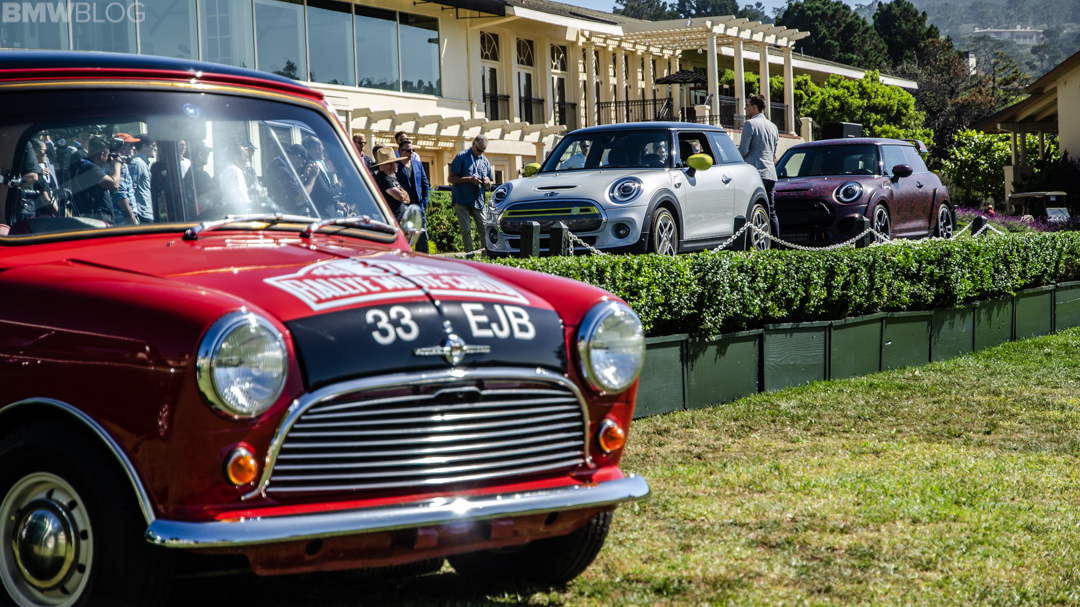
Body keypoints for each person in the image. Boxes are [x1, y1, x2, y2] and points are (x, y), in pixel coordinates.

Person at [739, 93, 780, 238]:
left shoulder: (749, 124)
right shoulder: (773, 127)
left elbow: (743, 151)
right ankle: (776, 245)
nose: (745, 108)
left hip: (755, 174)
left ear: (754, 107)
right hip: (770, 174)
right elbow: (773, 154)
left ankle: (755, 243)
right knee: (770, 211)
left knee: (751, 210)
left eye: (747, 105)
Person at [448, 135, 493, 253]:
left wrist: (488, 182)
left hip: (478, 200)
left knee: (484, 228)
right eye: (479, 150)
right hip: (462, 199)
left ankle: (485, 256)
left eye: (483, 150)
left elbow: (490, 182)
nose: (480, 153)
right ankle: (469, 256)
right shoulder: (461, 157)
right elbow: (451, 178)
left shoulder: (484, 160)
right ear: (473, 144)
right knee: (466, 230)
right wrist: (469, 179)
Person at [70, 136, 122, 223]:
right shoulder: (90, 167)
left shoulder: (82, 164)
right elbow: (114, 185)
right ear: (101, 155)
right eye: (107, 155)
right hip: (97, 217)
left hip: (91, 215)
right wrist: (117, 165)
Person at [265, 144, 319, 216]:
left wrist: (304, 177)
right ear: (297, 157)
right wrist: (313, 177)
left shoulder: (277, 163)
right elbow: (301, 197)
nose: (302, 166)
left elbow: (290, 185)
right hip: (283, 214)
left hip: (277, 211)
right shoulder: (283, 170)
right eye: (302, 162)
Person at [396, 139, 429, 251]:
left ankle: (424, 258)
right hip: (403, 207)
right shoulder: (396, 166)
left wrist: (424, 202)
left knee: (422, 236)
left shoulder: (417, 164)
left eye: (413, 150)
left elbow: (425, 184)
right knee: (404, 236)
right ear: (401, 152)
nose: (411, 152)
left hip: (418, 206)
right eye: (408, 150)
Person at [371, 146, 410, 219]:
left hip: (398, 221)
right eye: (396, 162)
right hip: (390, 221)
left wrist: (404, 195)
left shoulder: (392, 178)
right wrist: (402, 194)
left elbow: (407, 199)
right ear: (388, 164)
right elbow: (401, 196)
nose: (398, 164)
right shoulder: (382, 178)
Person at [129, 135, 155, 223]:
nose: (155, 148)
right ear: (144, 146)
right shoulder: (137, 163)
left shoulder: (143, 163)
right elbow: (131, 189)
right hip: (141, 213)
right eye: (153, 145)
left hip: (146, 212)